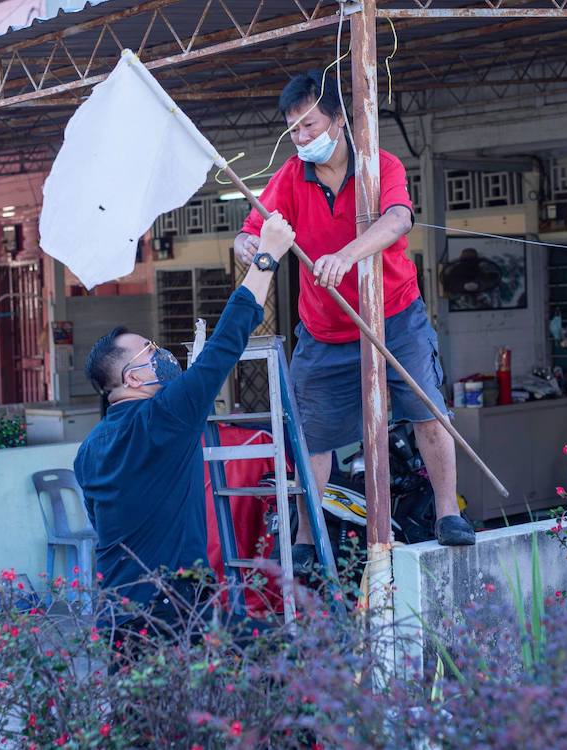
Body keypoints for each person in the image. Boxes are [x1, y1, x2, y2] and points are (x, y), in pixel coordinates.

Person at [234, 70, 475, 570]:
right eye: (293, 130)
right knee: (312, 437)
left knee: (429, 411)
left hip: (395, 316)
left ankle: (448, 514)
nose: (302, 138)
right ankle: (306, 535)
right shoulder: (288, 178)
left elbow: (398, 219)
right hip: (323, 331)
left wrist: (346, 255)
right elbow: (248, 232)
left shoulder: (378, 165)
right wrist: (250, 246)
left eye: (310, 126)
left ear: (340, 122)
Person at [75, 212, 295, 628]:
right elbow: (225, 345)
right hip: (172, 611)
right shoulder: (165, 417)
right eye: (148, 349)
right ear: (134, 377)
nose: (160, 353)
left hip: (116, 614)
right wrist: (265, 259)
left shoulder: (88, 451)